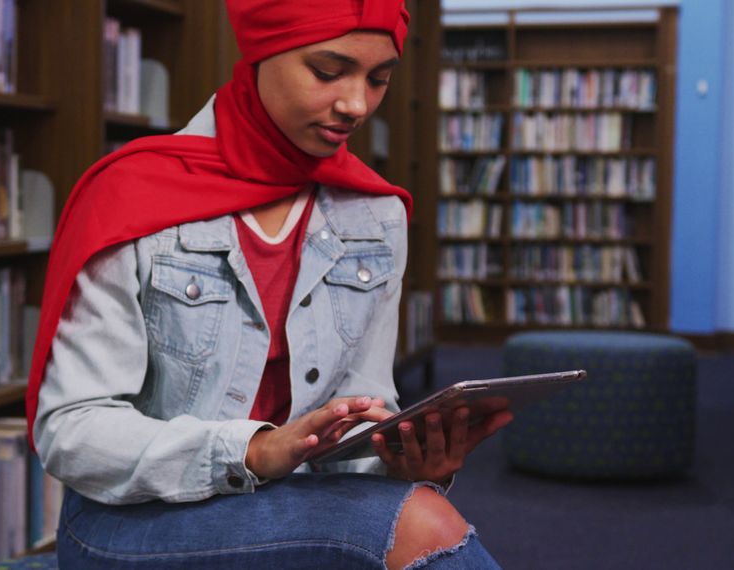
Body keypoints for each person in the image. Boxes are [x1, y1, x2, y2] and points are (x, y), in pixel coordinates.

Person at [28, 1, 514, 567]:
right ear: (262, 51)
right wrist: (255, 450)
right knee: (420, 526)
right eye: (328, 72)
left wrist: (399, 461)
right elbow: (72, 430)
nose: (356, 104)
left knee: (417, 507)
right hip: (134, 519)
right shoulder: (133, 196)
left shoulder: (377, 215)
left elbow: (363, 409)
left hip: (301, 506)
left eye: (379, 78)